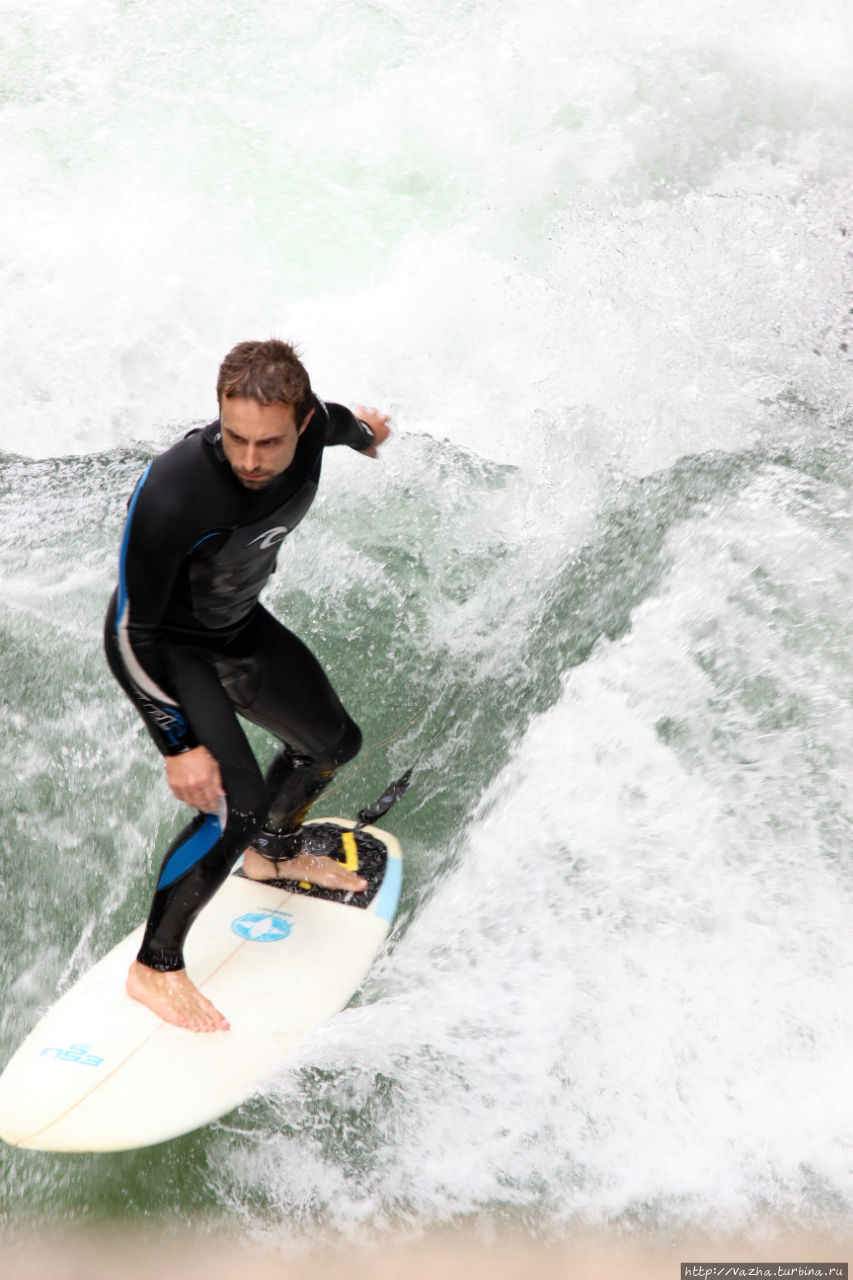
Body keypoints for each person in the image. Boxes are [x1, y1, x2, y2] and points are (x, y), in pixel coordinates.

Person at [104, 339, 391, 1034]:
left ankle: (270, 854)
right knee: (232, 802)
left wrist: (367, 435)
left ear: (300, 424)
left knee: (329, 744)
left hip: (236, 629)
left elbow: (344, 422)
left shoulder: (318, 423)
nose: (251, 460)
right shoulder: (176, 489)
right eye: (235, 438)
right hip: (173, 650)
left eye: (269, 442)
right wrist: (176, 743)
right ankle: (156, 966)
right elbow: (127, 631)